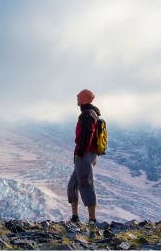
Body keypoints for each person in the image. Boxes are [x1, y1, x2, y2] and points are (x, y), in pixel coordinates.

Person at [68, 88, 100, 224]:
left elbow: (87, 135)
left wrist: (80, 153)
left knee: (86, 185)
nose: (77, 100)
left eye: (79, 97)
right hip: (87, 155)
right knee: (72, 186)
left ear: (83, 99)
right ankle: (75, 217)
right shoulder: (92, 113)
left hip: (85, 156)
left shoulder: (87, 115)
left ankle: (92, 220)